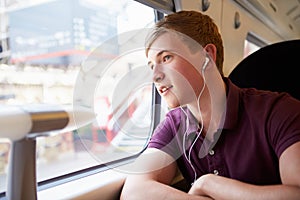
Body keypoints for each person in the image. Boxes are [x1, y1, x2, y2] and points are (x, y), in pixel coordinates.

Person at [120, 10, 300, 200]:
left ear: (207, 55)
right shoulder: (174, 124)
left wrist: (209, 184)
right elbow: (133, 191)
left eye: (166, 58)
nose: (155, 76)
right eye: (151, 66)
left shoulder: (280, 110)